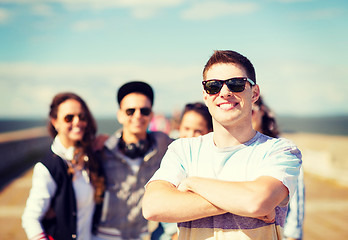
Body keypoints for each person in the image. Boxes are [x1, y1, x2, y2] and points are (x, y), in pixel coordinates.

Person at [142, 50, 302, 240]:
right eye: (213, 86)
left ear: (255, 93)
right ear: (205, 95)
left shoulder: (279, 151)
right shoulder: (182, 150)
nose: (225, 92)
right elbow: (153, 206)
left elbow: (255, 202)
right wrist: (242, 203)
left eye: (236, 84)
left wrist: (192, 183)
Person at [93, 81, 173, 240]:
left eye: (144, 111)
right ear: (120, 115)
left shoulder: (164, 145)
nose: (138, 116)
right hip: (103, 236)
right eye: (130, 111)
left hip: (142, 235)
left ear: (151, 115)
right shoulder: (103, 150)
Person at [22, 92, 105, 240]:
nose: (77, 122)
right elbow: (30, 218)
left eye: (82, 116)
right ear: (55, 122)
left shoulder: (88, 157)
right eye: (69, 118)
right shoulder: (49, 167)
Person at [252, 96, 305, 240]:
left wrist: (293, 236)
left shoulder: (283, 147)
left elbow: (296, 201)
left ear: (262, 112)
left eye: (251, 112)